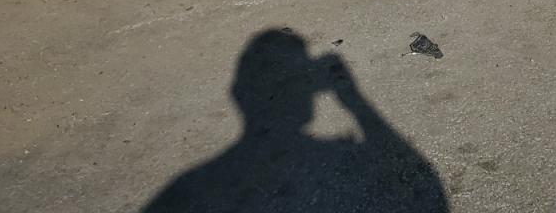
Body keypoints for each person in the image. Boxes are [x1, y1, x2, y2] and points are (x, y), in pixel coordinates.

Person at [143, 29, 450, 212]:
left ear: (238, 93)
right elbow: (421, 176)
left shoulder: (186, 190)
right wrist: (355, 103)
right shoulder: (188, 188)